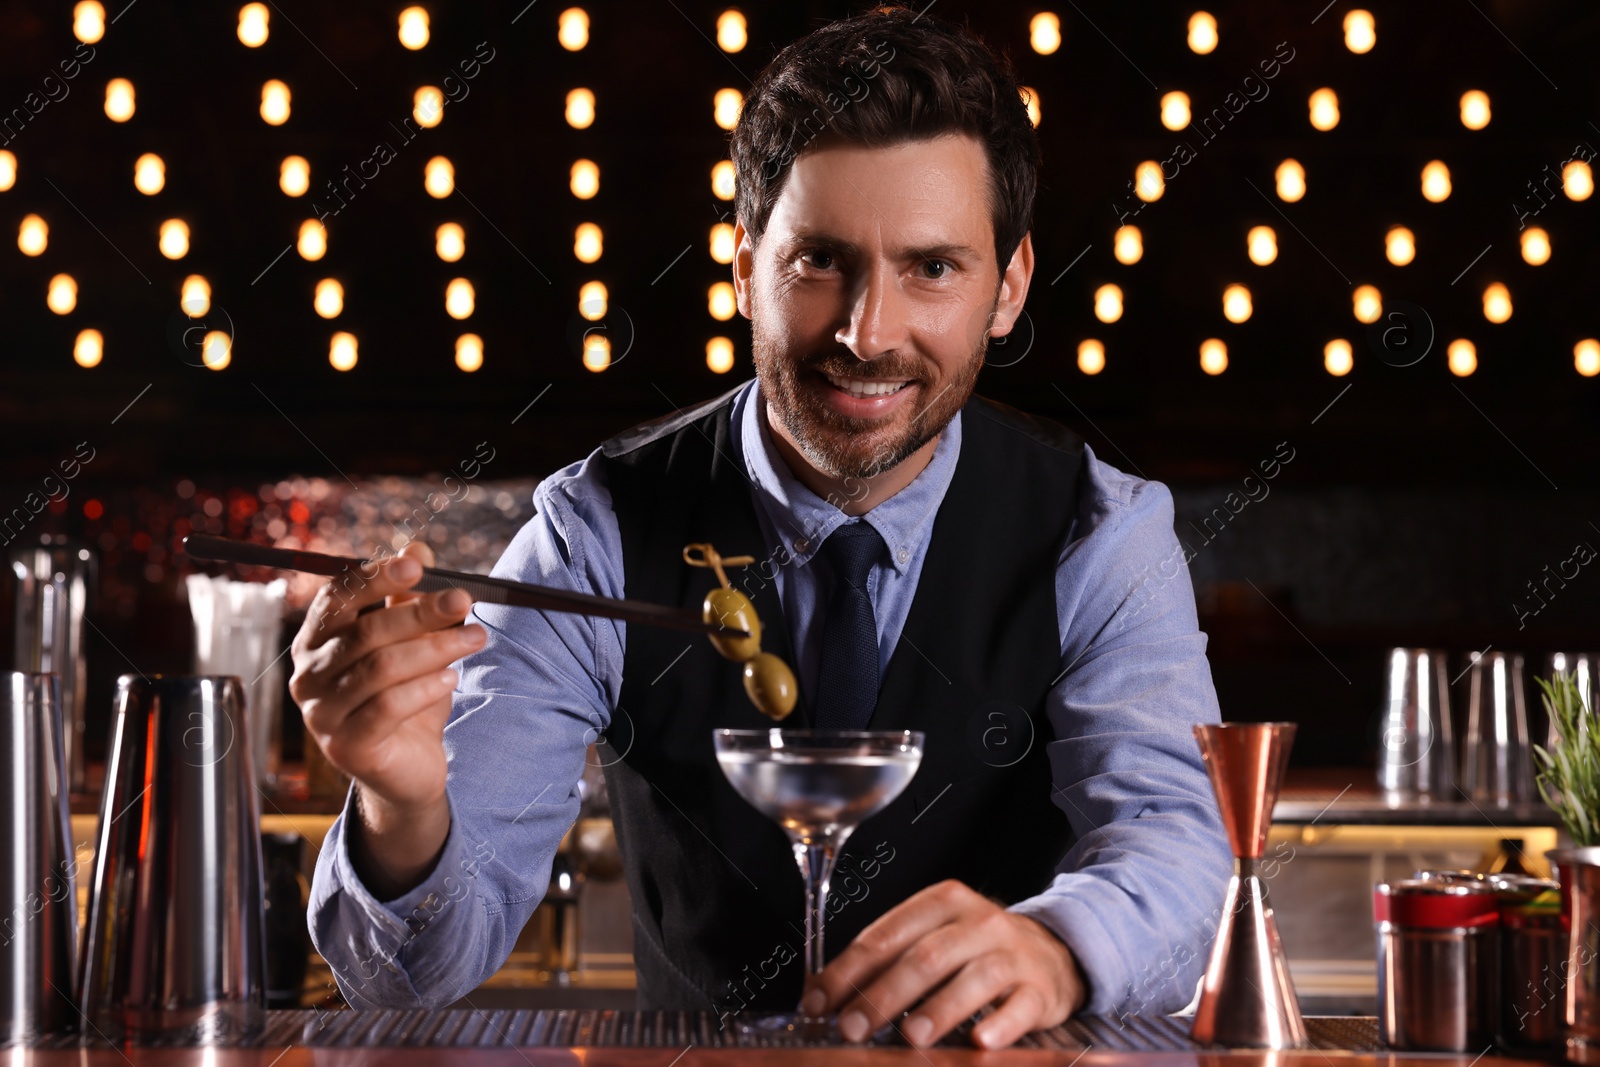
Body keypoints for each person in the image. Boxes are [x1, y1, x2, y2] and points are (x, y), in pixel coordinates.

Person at [291, 4, 1231, 1050]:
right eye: (819, 260)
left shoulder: (1101, 530)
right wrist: (401, 803)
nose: (866, 333)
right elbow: (407, 979)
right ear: (742, 267)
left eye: (932, 267)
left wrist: (1059, 948)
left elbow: (1178, 847)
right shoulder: (596, 526)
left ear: (1006, 288)